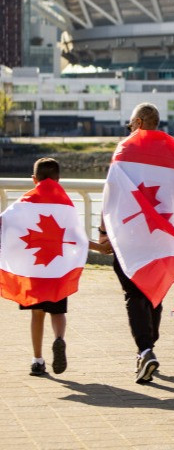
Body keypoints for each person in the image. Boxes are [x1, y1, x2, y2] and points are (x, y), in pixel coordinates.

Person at [99, 103, 174, 384]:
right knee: (154, 290)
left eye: (130, 124)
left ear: (137, 122)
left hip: (131, 233)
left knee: (133, 293)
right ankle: (149, 345)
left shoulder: (125, 148)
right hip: (163, 233)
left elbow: (112, 192)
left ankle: (145, 349)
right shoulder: (171, 149)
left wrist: (103, 231)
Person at [0, 157, 109, 376]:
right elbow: (76, 237)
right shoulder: (65, 204)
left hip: (34, 270)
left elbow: (6, 223)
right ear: (59, 179)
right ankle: (59, 338)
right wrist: (100, 247)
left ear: (34, 179)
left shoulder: (25, 202)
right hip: (57, 269)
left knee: (37, 313)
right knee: (58, 312)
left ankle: (37, 360)